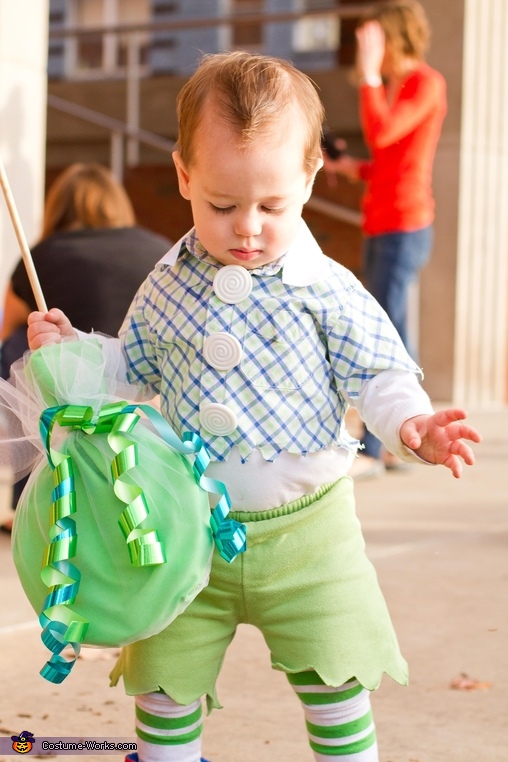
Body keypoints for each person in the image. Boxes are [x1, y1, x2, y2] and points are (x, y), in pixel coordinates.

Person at [26, 52, 480, 762]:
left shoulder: (326, 286)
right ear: (184, 177)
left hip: (311, 540)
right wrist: (73, 352)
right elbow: (128, 370)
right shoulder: (168, 283)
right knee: (164, 688)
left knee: (337, 677)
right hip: (186, 538)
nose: (247, 228)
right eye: (222, 204)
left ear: (308, 177)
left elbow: (380, 370)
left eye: (271, 206)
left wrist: (412, 424)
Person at [0, 162, 171, 531]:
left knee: (16, 347)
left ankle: (30, 490)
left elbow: (9, 323)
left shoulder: (45, 253)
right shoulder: (158, 250)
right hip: (144, 386)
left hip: (74, 384)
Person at [322, 0, 447, 479]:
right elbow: (391, 158)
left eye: (371, 42)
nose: (364, 52)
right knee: (382, 327)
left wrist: (371, 77)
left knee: (386, 333)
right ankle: (389, 444)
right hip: (382, 221)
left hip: (405, 224)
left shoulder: (424, 83)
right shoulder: (400, 86)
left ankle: (379, 450)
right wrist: (351, 168)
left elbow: (382, 132)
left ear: (392, 39)